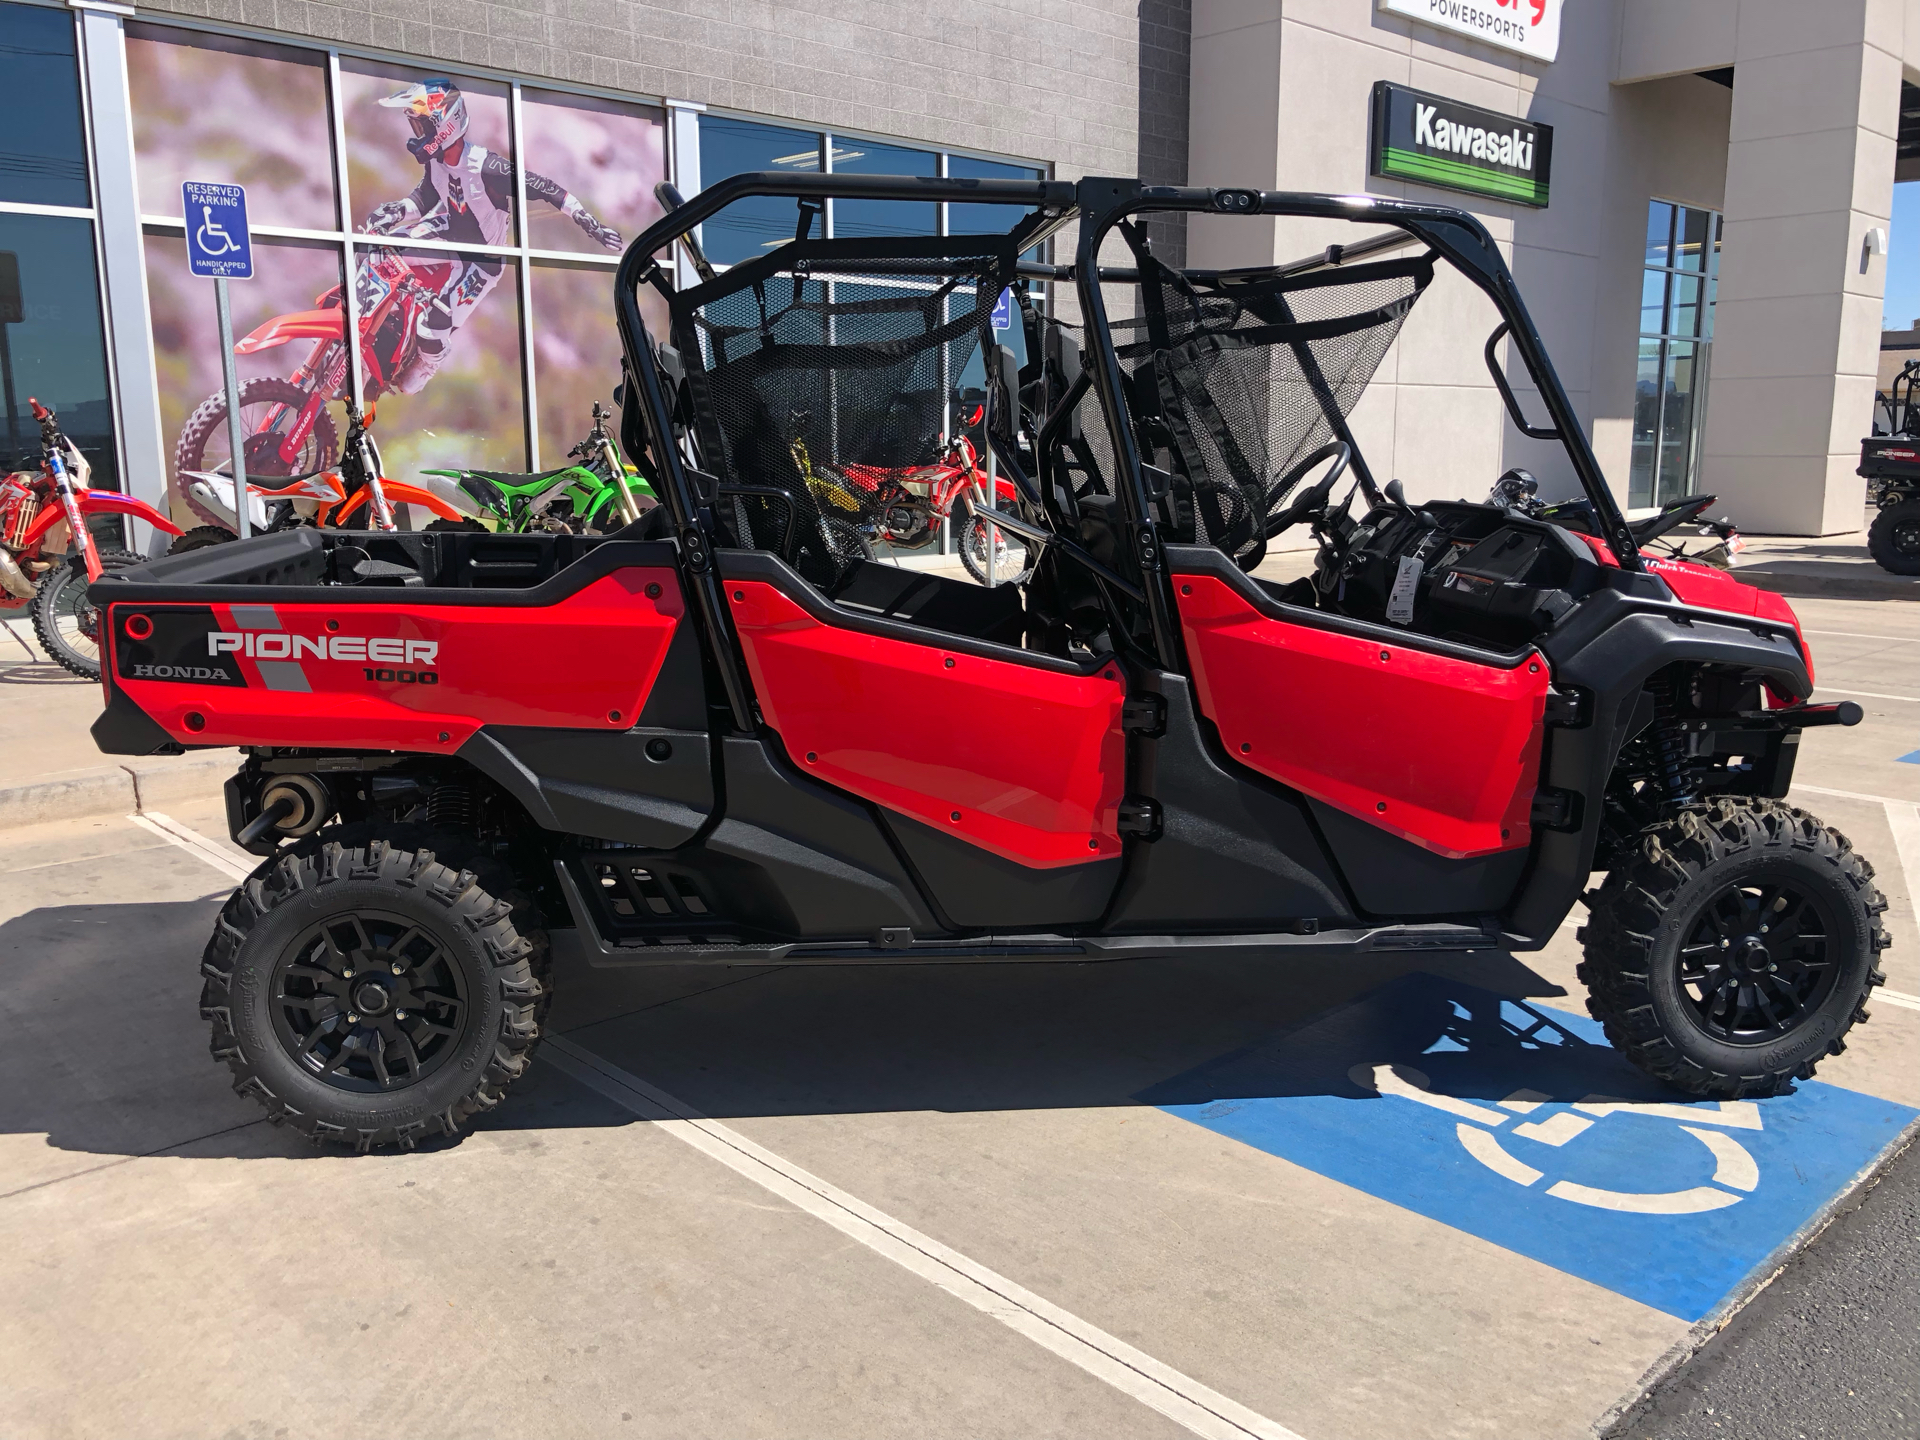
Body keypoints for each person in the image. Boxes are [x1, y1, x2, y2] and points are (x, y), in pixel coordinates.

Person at [363, 78, 623, 394]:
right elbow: (426, 198)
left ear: (445, 125)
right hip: (447, 236)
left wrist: (589, 222)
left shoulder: (487, 167)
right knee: (380, 250)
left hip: (481, 262)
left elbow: (546, 188)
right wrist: (395, 211)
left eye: (423, 127)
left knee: (431, 331)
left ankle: (428, 363)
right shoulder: (438, 161)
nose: (418, 136)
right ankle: (369, 322)